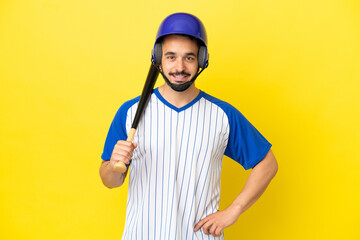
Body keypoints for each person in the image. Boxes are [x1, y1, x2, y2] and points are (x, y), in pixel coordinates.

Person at [99, 12, 278, 240]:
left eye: (189, 58)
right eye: (171, 57)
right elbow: (110, 181)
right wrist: (113, 164)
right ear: (158, 58)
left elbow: (268, 163)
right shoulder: (130, 112)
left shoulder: (223, 115)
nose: (179, 67)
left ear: (202, 59)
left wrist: (234, 210)